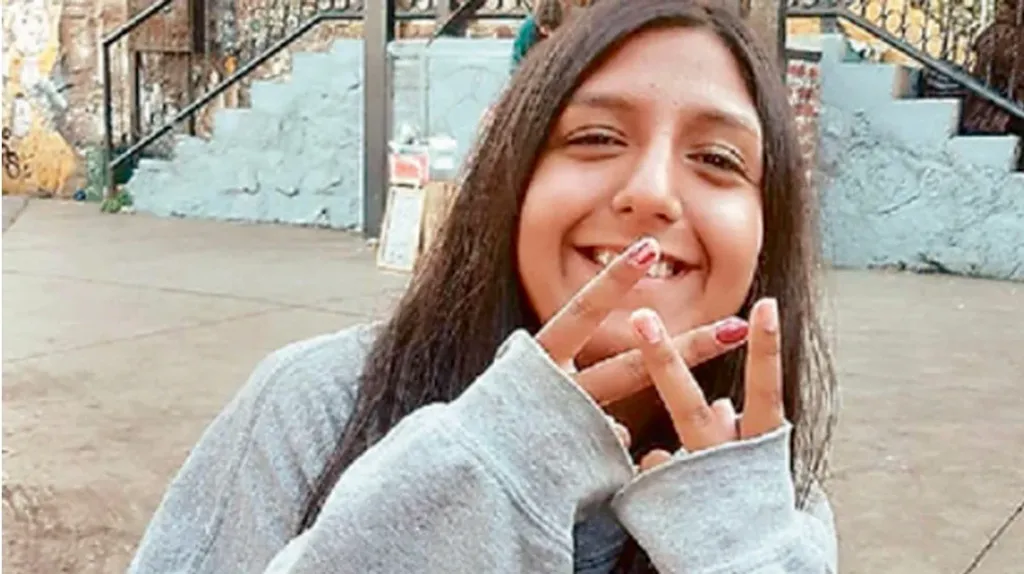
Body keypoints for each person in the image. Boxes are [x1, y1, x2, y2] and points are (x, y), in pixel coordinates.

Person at [129, 1, 839, 572]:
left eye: (717, 158)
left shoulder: (774, 510)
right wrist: (486, 472)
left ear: (767, 231)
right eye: (595, 138)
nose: (652, 192)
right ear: (511, 181)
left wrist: (739, 552)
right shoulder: (316, 405)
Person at [511, 0, 571, 71]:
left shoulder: (561, 26)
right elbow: (519, 57)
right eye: (547, 29)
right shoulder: (528, 30)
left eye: (553, 29)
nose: (550, 34)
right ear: (538, 23)